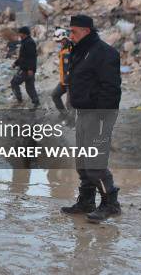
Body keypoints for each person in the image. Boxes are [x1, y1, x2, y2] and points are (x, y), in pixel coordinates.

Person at [61, 14, 122, 223]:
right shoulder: (80, 51)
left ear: (86, 31)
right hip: (83, 114)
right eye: (70, 31)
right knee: (82, 161)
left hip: (99, 115)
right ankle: (86, 201)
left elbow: (111, 89)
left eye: (74, 31)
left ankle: (111, 204)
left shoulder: (105, 53)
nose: (71, 35)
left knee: (95, 163)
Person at [10, 26, 40, 108]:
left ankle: (19, 100)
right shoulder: (25, 41)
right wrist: (15, 63)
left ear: (24, 33)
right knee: (29, 87)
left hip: (26, 69)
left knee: (14, 82)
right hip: (26, 68)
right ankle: (36, 102)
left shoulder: (29, 42)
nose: (19, 35)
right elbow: (22, 56)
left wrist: (30, 69)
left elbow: (32, 57)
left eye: (20, 33)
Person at [51, 28, 74, 123]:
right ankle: (64, 114)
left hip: (71, 82)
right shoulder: (64, 49)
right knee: (55, 95)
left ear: (65, 38)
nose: (59, 42)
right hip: (64, 80)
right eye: (58, 41)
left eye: (60, 40)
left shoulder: (71, 49)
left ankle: (72, 122)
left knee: (70, 104)